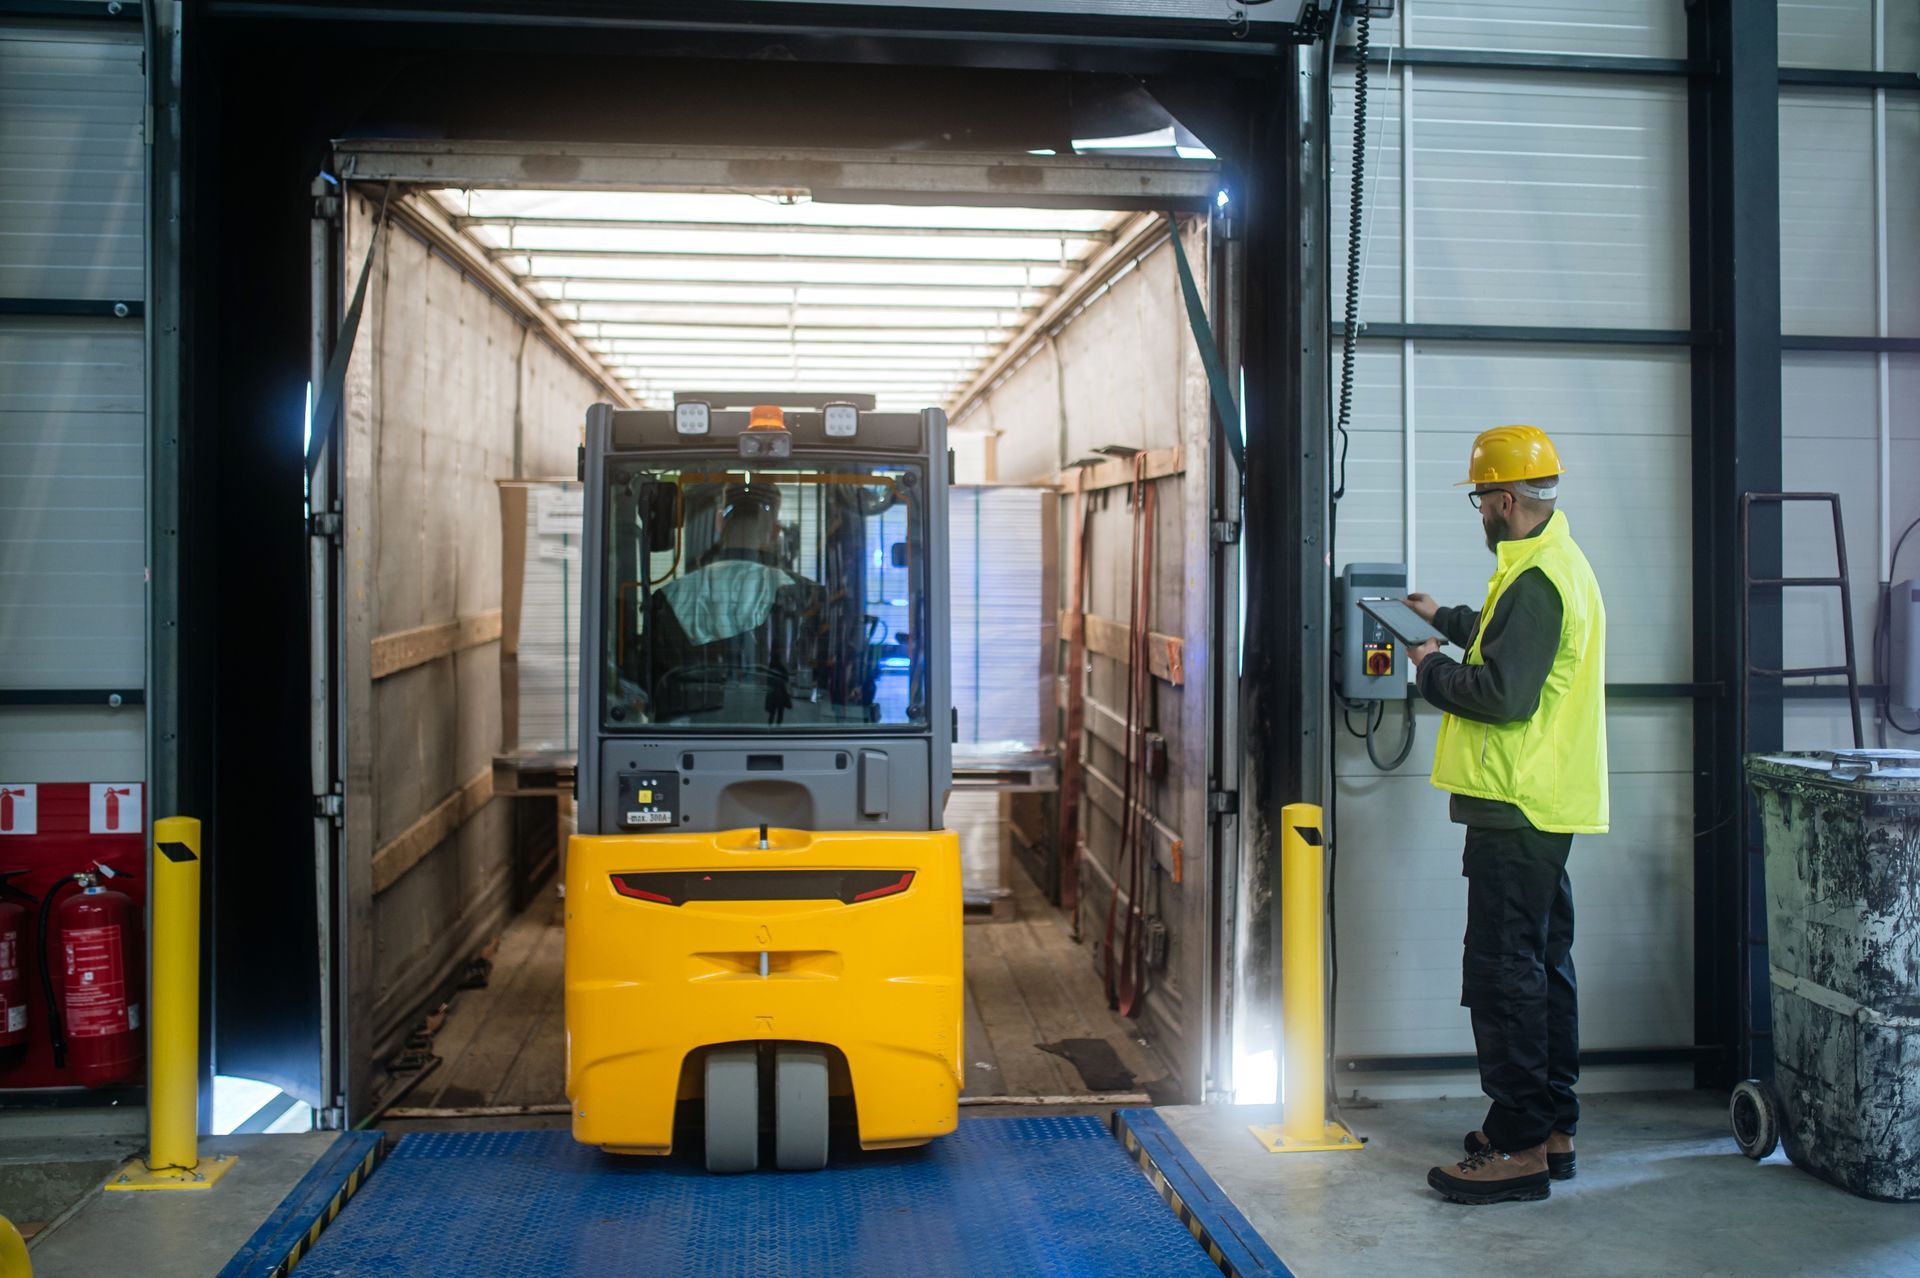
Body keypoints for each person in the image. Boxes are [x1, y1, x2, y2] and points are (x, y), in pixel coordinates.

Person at [1403, 424, 1609, 1206]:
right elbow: (1514, 646)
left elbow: (1502, 694)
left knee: (1504, 975)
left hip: (1516, 808)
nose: (1478, 511)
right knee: (1540, 967)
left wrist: (1430, 671)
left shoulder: (1538, 581)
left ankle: (1519, 1146)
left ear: (1507, 499)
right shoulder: (1545, 565)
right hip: (1540, 805)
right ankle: (1548, 1125)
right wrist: (1444, 617)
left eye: (1480, 498)